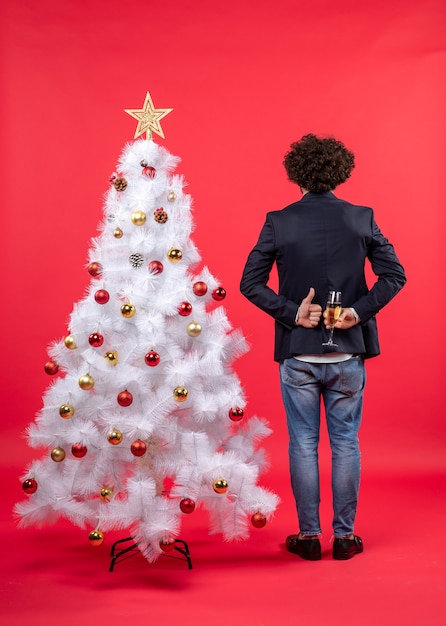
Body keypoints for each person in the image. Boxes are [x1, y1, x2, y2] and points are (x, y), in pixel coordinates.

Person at [240, 134, 406, 560]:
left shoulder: (279, 221)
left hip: (299, 356)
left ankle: (309, 538)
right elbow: (394, 276)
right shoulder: (361, 217)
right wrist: (357, 312)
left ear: (297, 172)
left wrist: (294, 312)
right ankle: (346, 538)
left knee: (302, 443)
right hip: (347, 354)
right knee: (346, 443)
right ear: (338, 172)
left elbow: (249, 284)